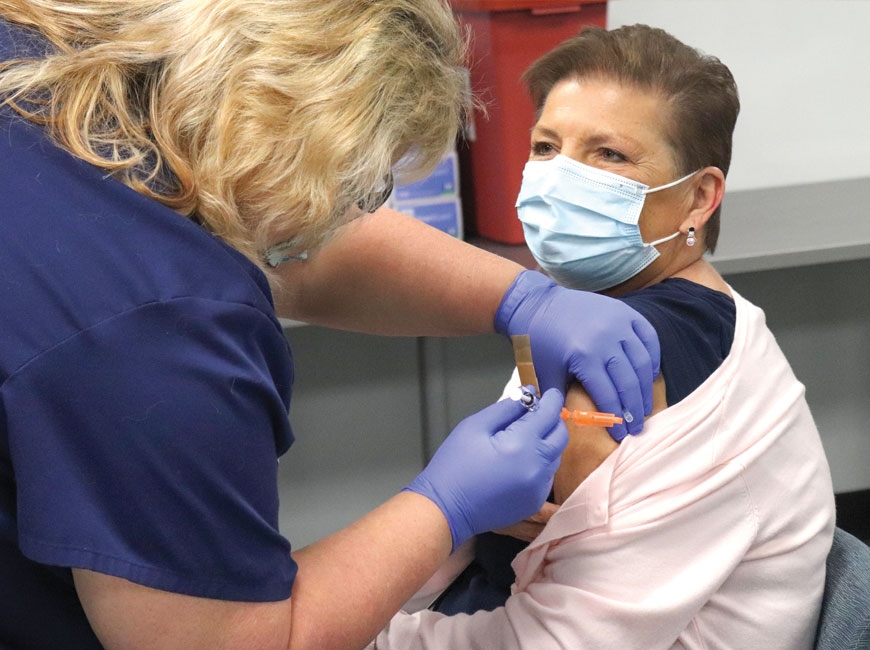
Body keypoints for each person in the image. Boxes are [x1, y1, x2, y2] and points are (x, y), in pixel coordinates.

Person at [0, 3, 664, 650]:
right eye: (359, 186)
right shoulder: (159, 329)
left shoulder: (57, 51)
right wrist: (444, 505)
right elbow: (229, 642)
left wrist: (522, 298)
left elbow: (277, 222)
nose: (353, 211)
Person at [370, 24, 836, 649]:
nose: (561, 177)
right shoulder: (614, 315)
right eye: (545, 146)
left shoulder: (620, 361)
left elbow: (561, 642)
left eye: (609, 154)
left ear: (700, 197)